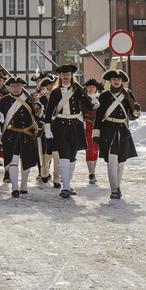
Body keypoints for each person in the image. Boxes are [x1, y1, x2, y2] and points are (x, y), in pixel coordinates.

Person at [43, 64, 96, 198]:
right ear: (60, 76)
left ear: (72, 76)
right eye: (63, 75)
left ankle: (68, 183)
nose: (65, 77)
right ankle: (65, 186)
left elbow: (89, 106)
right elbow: (49, 112)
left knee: (72, 157)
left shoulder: (78, 90)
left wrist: (94, 99)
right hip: (60, 126)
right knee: (64, 156)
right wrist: (47, 128)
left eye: (67, 75)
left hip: (75, 126)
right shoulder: (55, 92)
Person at [93, 69, 141, 199]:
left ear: (121, 81)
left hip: (122, 130)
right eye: (114, 80)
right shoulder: (103, 96)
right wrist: (96, 133)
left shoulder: (128, 94)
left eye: (118, 80)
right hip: (108, 130)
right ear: (110, 81)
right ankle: (113, 189)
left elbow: (133, 115)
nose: (116, 82)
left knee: (121, 161)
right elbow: (98, 116)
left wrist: (137, 110)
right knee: (111, 160)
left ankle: (118, 186)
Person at [0, 76, 40, 197]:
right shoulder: (4, 100)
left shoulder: (30, 99)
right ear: (10, 87)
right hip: (11, 135)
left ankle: (23, 186)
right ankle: (14, 188)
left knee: (26, 161)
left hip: (27, 134)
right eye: (13, 86)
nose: (15, 88)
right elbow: (0, 120)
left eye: (18, 85)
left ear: (22, 86)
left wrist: (38, 108)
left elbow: (38, 115)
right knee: (13, 160)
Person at [35, 74, 60, 187]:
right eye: (50, 84)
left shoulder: (60, 95)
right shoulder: (41, 97)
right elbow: (39, 113)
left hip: (58, 125)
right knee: (45, 150)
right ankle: (44, 172)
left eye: (53, 84)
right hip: (45, 126)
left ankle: (57, 178)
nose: (52, 86)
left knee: (57, 153)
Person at [82, 78, 103, 184]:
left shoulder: (100, 99)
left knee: (96, 149)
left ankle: (93, 171)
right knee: (89, 149)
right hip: (87, 127)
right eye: (89, 87)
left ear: (96, 89)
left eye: (93, 87)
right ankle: (91, 173)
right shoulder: (83, 99)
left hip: (97, 126)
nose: (91, 88)